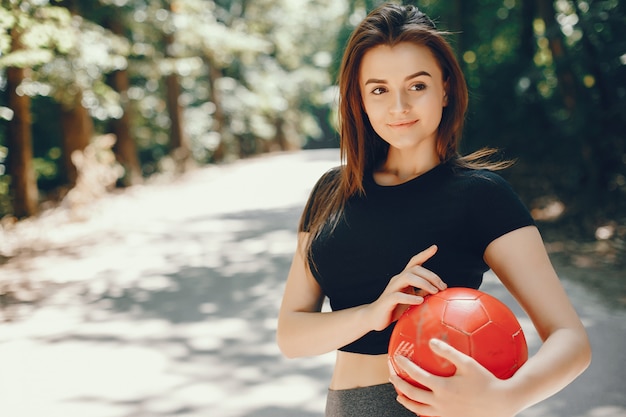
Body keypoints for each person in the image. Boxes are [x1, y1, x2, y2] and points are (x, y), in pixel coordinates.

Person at [276, 3, 591, 417]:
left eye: (417, 85)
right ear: (360, 100)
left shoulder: (481, 195)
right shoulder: (330, 192)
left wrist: (506, 398)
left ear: (445, 88)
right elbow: (291, 335)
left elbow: (571, 339)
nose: (399, 106)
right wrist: (372, 314)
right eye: (379, 89)